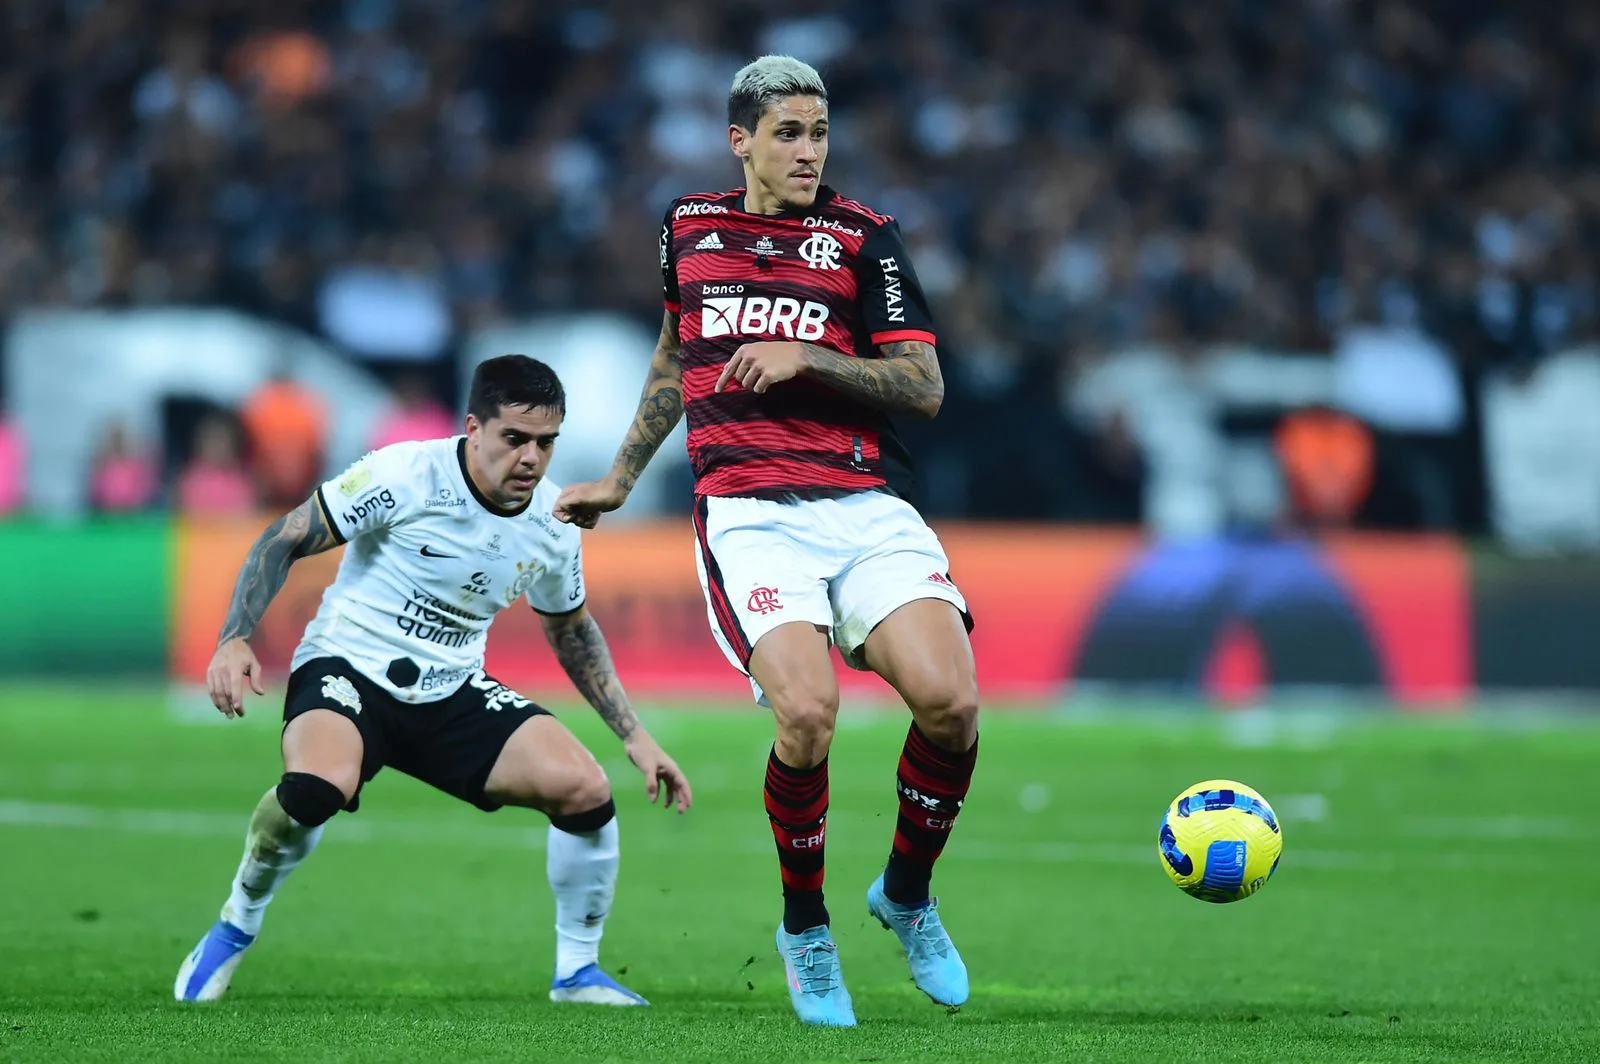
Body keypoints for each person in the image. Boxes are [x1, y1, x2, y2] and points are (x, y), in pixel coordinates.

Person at [555, 56, 979, 1028]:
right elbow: (677, 353)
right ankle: (803, 924)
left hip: (864, 502)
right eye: (787, 133)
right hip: (748, 512)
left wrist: (812, 357)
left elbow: (924, 387)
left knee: (950, 703)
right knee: (807, 715)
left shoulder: (864, 239)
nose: (806, 151)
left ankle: (906, 893)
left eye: (818, 134)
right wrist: (621, 478)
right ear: (739, 139)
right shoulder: (686, 230)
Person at [175, 355, 691, 1006]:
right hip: (348, 667)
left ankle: (577, 973)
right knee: (316, 787)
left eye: (546, 442)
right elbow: (284, 538)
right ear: (474, 428)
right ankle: (235, 923)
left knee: (585, 790)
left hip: (449, 689)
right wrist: (233, 638)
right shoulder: (406, 474)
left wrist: (635, 737)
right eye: (514, 438)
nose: (532, 458)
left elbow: (571, 630)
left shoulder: (554, 524)